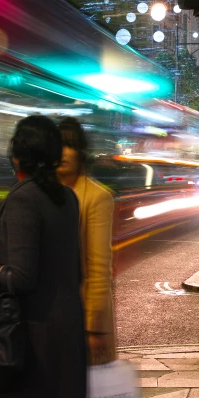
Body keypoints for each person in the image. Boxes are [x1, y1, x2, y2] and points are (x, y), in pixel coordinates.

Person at [0, 116, 87, 398]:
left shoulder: (24, 199)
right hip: (65, 334)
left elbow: (21, 277)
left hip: (30, 344)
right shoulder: (65, 197)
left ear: (18, 154)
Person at [57, 118, 117, 365]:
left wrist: (95, 329)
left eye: (69, 145)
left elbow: (99, 268)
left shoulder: (96, 197)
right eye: (57, 145)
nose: (63, 153)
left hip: (80, 316)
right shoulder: (42, 193)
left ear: (81, 152)